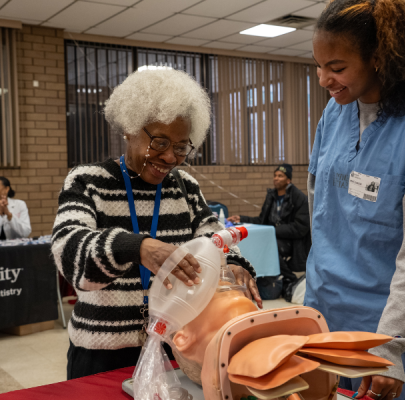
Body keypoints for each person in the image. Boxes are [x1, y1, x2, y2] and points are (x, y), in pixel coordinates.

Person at [51, 69, 262, 380]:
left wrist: (232, 264)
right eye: (160, 142)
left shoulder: (185, 187)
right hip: (103, 355)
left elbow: (217, 237)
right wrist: (137, 248)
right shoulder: (88, 181)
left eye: (181, 147)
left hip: (175, 348)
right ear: (129, 129)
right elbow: (70, 256)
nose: (169, 157)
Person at [307, 1, 405, 399]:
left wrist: (391, 342)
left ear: (379, 58)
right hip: (328, 315)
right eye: (319, 66)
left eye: (337, 67)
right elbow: (322, 213)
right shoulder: (334, 113)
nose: (324, 79)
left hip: (388, 329)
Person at [228, 164, 310, 287]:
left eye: (280, 176)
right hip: (273, 236)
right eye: (275, 175)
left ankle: (292, 280)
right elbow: (262, 220)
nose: (276, 178)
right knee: (257, 242)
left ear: (289, 180)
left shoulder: (299, 198)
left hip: (293, 241)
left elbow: (300, 227)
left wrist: (273, 231)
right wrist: (241, 218)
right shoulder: (271, 196)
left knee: (271, 245)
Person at [0, 176, 32, 240]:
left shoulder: (20, 204)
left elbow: (25, 232)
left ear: (6, 189)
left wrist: (9, 215)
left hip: (15, 247)